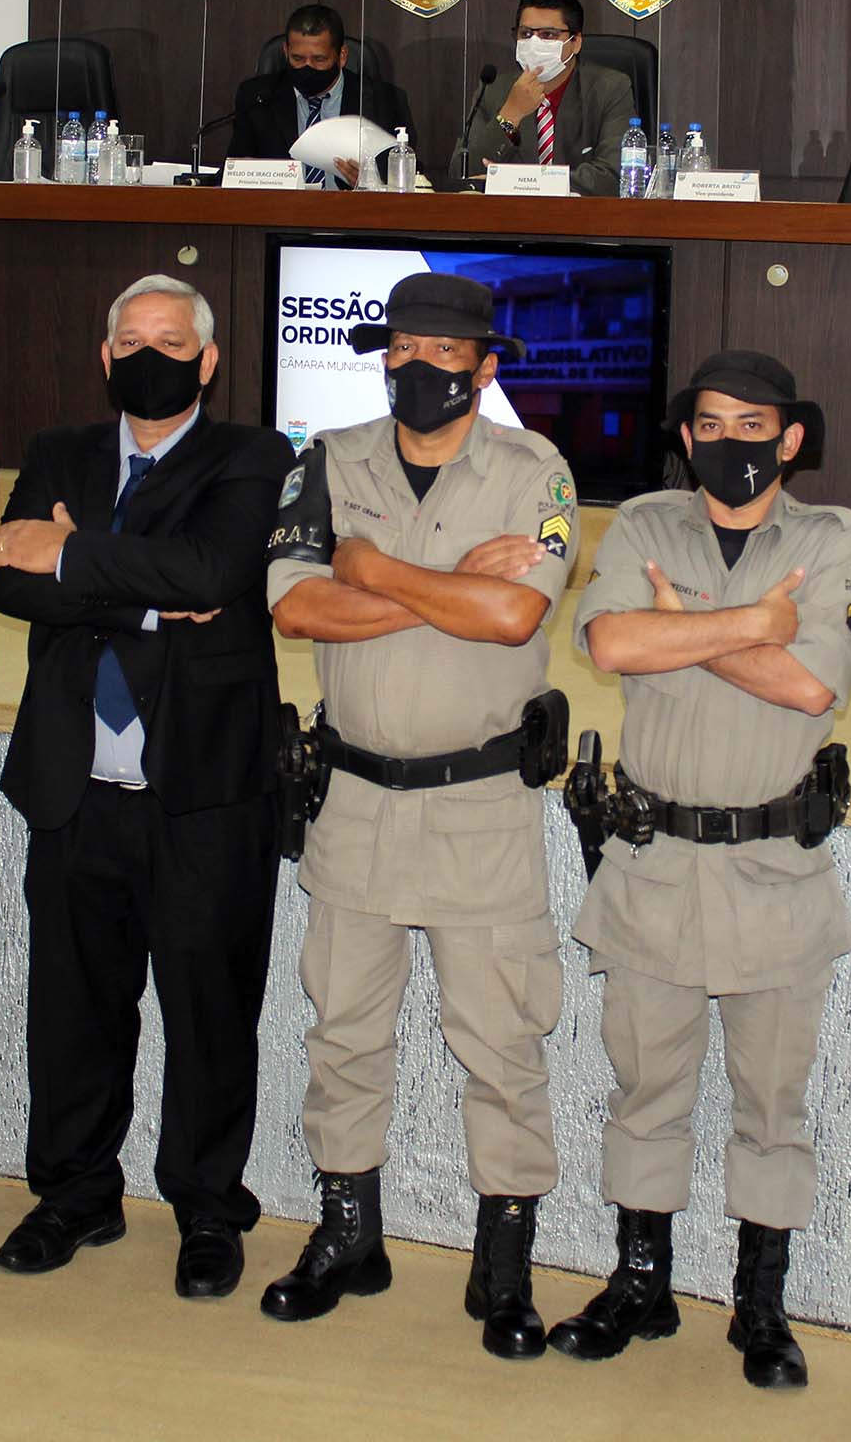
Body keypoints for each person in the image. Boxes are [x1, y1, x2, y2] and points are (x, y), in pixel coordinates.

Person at [259, 272, 579, 1358]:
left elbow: (512, 615)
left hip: (478, 804)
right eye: (402, 349)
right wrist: (441, 583)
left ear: (484, 369)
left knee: (501, 1042)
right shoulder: (325, 459)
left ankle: (505, 1263)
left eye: (446, 356)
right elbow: (298, 606)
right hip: (352, 798)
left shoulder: (534, 470)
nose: (420, 370)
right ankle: (350, 1233)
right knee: (344, 1030)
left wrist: (372, 568)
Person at [558, 351, 851, 1390]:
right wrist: (748, 624)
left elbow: (810, 683)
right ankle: (640, 1282)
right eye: (709, 423)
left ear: (791, 438)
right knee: (645, 1089)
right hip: (654, 863)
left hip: (774, 869)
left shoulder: (834, 539)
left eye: (753, 424)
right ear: (685, 435)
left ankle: (760, 1304)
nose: (730, 441)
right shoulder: (644, 523)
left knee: (771, 1104)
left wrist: (679, 630)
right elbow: (610, 645)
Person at [0, 274, 293, 1299]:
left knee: (209, 1013)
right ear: (104, 356)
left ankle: (208, 1209)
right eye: (130, 338)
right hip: (76, 785)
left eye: (170, 339)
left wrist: (73, 554)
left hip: (205, 792)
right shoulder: (61, 451)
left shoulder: (255, 456)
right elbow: (10, 581)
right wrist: (145, 596)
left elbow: (213, 572)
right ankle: (75, 1193)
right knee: (73, 1010)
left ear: (209, 362)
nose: (147, 353)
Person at [455, 0, 634, 196]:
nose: (534, 43)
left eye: (548, 35)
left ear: (575, 42)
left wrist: (521, 183)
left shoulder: (609, 88)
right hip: (507, 215)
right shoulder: (494, 89)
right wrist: (511, 114)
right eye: (526, 34)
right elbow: (462, 173)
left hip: (580, 214)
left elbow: (613, 176)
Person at [224, 4, 415, 188]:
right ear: (286, 51)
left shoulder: (385, 101)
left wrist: (373, 184)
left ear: (342, 56)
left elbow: (410, 179)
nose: (308, 67)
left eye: (319, 59)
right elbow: (232, 171)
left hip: (352, 209)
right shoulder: (257, 97)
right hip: (278, 208)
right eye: (298, 58)